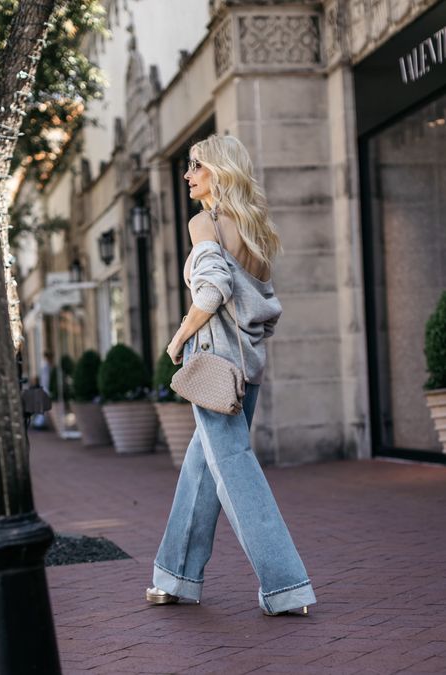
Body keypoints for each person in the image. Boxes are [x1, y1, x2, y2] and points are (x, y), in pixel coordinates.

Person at [146, 134, 316, 616]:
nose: (187, 175)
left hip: (215, 366)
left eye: (195, 165)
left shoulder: (206, 222)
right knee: (200, 473)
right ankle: (174, 576)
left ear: (217, 171)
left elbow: (212, 290)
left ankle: (287, 586)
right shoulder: (256, 229)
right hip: (247, 367)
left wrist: (179, 340)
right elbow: (265, 306)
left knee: (236, 471)